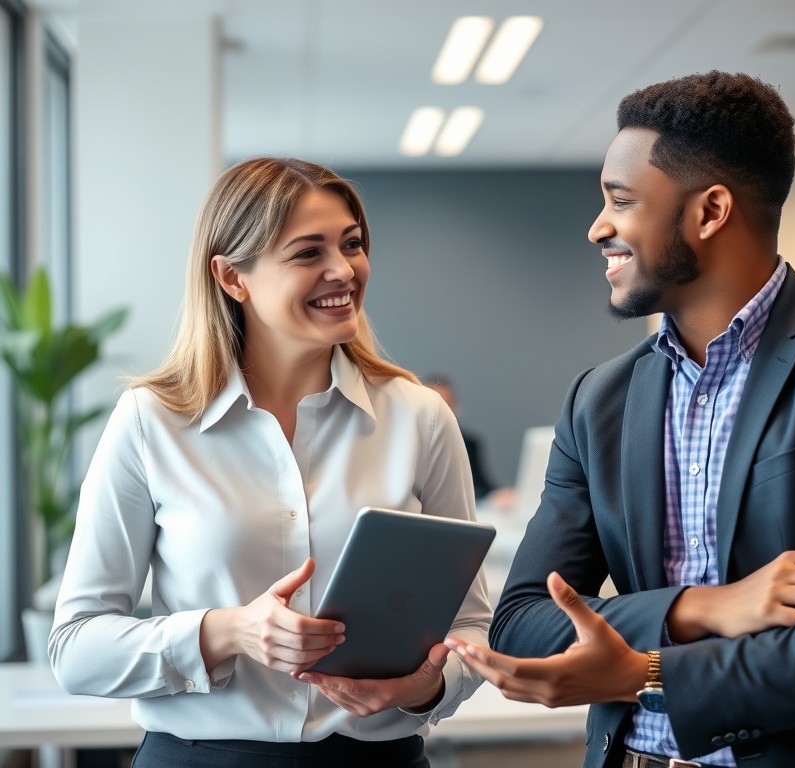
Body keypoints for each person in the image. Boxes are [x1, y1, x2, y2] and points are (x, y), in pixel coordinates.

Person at [445, 71, 795, 768]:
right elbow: (524, 622)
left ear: (710, 211)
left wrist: (640, 673)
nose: (598, 227)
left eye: (620, 201)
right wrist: (701, 608)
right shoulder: (598, 400)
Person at [49, 157, 491, 767]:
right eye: (308, 253)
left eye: (353, 244)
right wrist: (228, 631)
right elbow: (76, 649)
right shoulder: (152, 421)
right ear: (233, 278)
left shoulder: (418, 416)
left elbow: (471, 624)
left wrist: (427, 687)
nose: (344, 270)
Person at [425, 375, 517, 510]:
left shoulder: (469, 442)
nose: (444, 412)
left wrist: (498, 494)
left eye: (448, 404)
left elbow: (481, 485)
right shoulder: (411, 445)